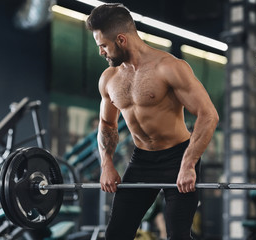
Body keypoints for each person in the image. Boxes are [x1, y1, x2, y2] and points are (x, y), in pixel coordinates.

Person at [86, 3, 219, 240]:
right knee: (116, 234)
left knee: (178, 235)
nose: (101, 52)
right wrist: (107, 164)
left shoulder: (169, 67)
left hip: (178, 157)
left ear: (121, 39)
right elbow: (107, 124)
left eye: (103, 46)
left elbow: (208, 114)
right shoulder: (109, 78)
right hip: (142, 160)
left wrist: (189, 163)